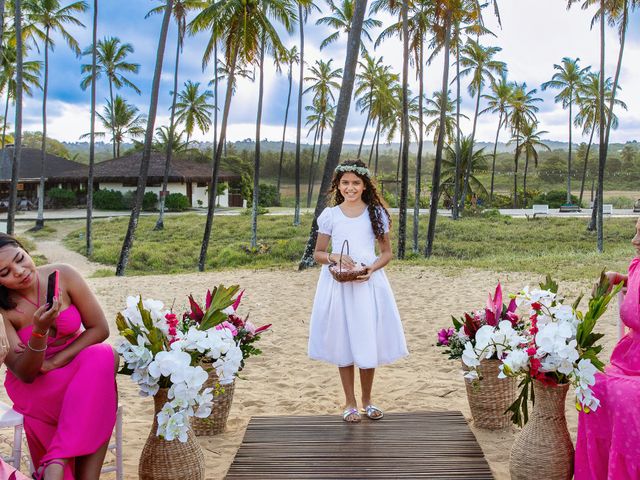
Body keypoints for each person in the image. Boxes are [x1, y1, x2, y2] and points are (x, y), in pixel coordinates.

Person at [0, 234, 118, 480]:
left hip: (76, 366)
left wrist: (55, 361)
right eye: (5, 273)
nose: (20, 271)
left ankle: (56, 459)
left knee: (104, 354)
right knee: (95, 397)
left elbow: (100, 329)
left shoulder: (64, 274)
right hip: (37, 385)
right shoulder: (3, 310)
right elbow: (25, 373)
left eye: (21, 259)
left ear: (25, 250)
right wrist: (39, 332)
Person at [308, 159, 408, 423]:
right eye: (345, 183)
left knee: (366, 339)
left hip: (367, 284)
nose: (350, 188)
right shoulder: (330, 215)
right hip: (338, 285)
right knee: (344, 341)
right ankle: (349, 402)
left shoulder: (375, 214)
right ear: (337, 186)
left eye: (355, 183)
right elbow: (318, 253)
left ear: (365, 186)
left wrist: (372, 269)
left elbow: (386, 253)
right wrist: (335, 257)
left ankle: (368, 400)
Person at [575, 217, 640, 479]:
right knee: (592, 387)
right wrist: (619, 279)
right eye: (636, 232)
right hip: (629, 358)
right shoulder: (637, 266)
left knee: (627, 399)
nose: (635, 241)